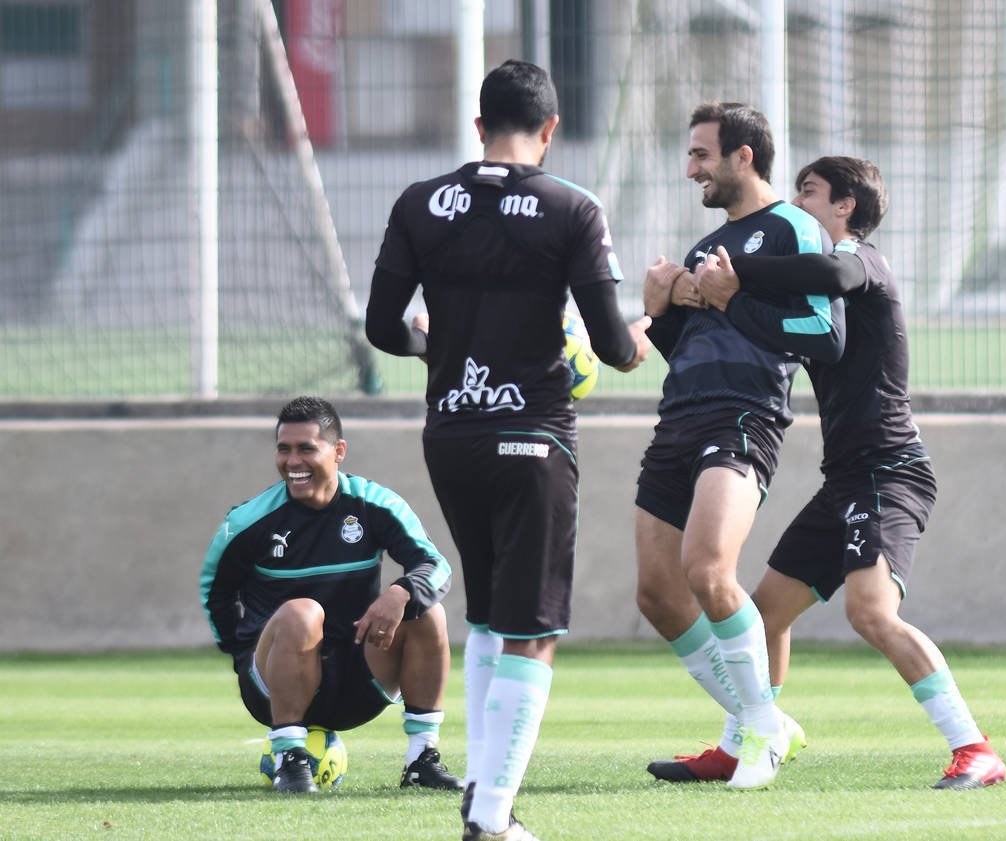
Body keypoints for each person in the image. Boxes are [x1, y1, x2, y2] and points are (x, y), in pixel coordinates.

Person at [364, 59, 651, 841]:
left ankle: (483, 799)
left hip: (450, 435)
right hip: (533, 436)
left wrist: (432, 346)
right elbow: (610, 344)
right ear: (551, 128)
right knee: (534, 629)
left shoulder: (420, 202)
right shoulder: (571, 207)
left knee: (489, 616)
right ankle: (491, 815)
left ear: (479, 124)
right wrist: (644, 334)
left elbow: (383, 325)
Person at [690, 155, 1006, 789]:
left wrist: (739, 271)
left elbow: (829, 271)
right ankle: (744, 739)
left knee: (870, 612)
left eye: (808, 193)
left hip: (890, 472)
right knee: (763, 614)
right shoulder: (815, 293)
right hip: (844, 479)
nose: (795, 204)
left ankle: (974, 749)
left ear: (845, 207)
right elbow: (770, 320)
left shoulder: (860, 260)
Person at [637, 102, 844, 791]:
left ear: (743, 156)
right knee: (657, 593)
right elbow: (687, 351)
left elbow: (826, 336)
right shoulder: (704, 247)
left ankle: (758, 728)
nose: (690, 169)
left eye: (701, 155)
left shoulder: (792, 227)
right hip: (677, 420)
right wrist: (661, 311)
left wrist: (729, 299)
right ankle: (762, 720)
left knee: (707, 569)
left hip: (744, 417)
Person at [201, 396, 461, 794]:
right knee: (302, 613)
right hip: (273, 688)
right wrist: (241, 653)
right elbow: (215, 592)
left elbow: (436, 566)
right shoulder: (248, 521)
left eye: (306, 449)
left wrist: (400, 592)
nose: (293, 461)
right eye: (284, 449)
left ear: (338, 451)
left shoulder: (374, 504)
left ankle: (421, 760)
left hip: (355, 683)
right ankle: (289, 756)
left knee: (427, 611)